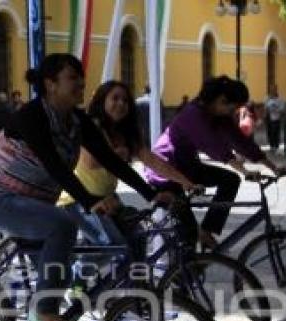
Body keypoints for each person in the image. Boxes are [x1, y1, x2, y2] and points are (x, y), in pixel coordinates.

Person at [0, 54, 167, 321]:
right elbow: (54, 165)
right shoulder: (32, 116)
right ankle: (44, 312)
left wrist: (151, 194)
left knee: (60, 273)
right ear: (51, 84)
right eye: (73, 78)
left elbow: (111, 160)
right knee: (62, 226)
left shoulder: (77, 120)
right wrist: (90, 201)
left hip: (37, 202)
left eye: (81, 77)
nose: (81, 83)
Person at [145, 75, 286, 249]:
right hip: (165, 170)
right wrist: (244, 172)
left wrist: (273, 168)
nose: (234, 112)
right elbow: (215, 146)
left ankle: (207, 230)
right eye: (234, 107)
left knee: (230, 180)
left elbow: (241, 142)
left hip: (188, 167)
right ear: (221, 100)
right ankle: (183, 268)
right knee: (189, 234)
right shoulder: (193, 114)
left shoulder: (219, 115)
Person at [57, 80, 197, 247]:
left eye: (125, 100)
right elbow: (90, 162)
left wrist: (185, 182)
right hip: (80, 200)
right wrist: (120, 153)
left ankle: (132, 274)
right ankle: (75, 272)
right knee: (110, 247)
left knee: (137, 240)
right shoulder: (92, 127)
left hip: (108, 198)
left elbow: (153, 161)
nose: (121, 104)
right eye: (115, 98)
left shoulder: (125, 133)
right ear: (102, 101)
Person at [264, 85, 286, 152]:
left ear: (276, 90)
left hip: (277, 117)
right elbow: (265, 107)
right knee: (270, 132)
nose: (273, 91)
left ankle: (276, 145)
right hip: (269, 117)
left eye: (274, 89)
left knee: (276, 132)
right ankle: (271, 145)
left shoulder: (280, 98)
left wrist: (277, 110)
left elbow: (283, 109)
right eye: (271, 90)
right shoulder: (267, 98)